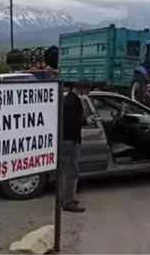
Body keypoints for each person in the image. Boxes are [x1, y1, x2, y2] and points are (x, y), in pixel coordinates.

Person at [61, 82, 99, 213]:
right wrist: (86, 121)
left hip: (68, 140)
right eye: (88, 89)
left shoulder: (71, 99)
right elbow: (71, 123)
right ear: (81, 88)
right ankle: (68, 202)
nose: (88, 92)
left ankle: (67, 197)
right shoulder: (71, 102)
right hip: (69, 141)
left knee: (68, 172)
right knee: (71, 172)